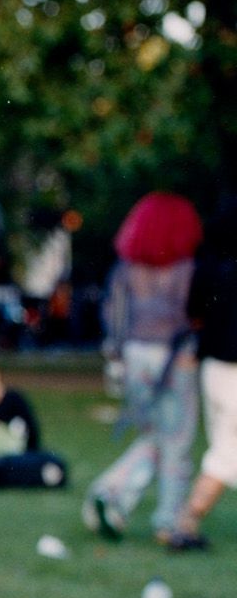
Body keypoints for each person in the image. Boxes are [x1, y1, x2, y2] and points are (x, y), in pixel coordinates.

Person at [85, 191, 201, 545]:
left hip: (135, 355)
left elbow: (115, 313)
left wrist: (117, 355)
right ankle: (169, 520)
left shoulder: (126, 269)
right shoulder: (185, 269)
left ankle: (111, 492)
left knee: (152, 435)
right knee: (176, 441)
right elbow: (189, 315)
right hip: (175, 356)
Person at [166, 192, 235, 549]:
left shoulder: (208, 266)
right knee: (227, 453)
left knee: (226, 446)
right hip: (234, 370)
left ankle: (186, 521)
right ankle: (186, 522)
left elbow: (194, 314)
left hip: (212, 367)